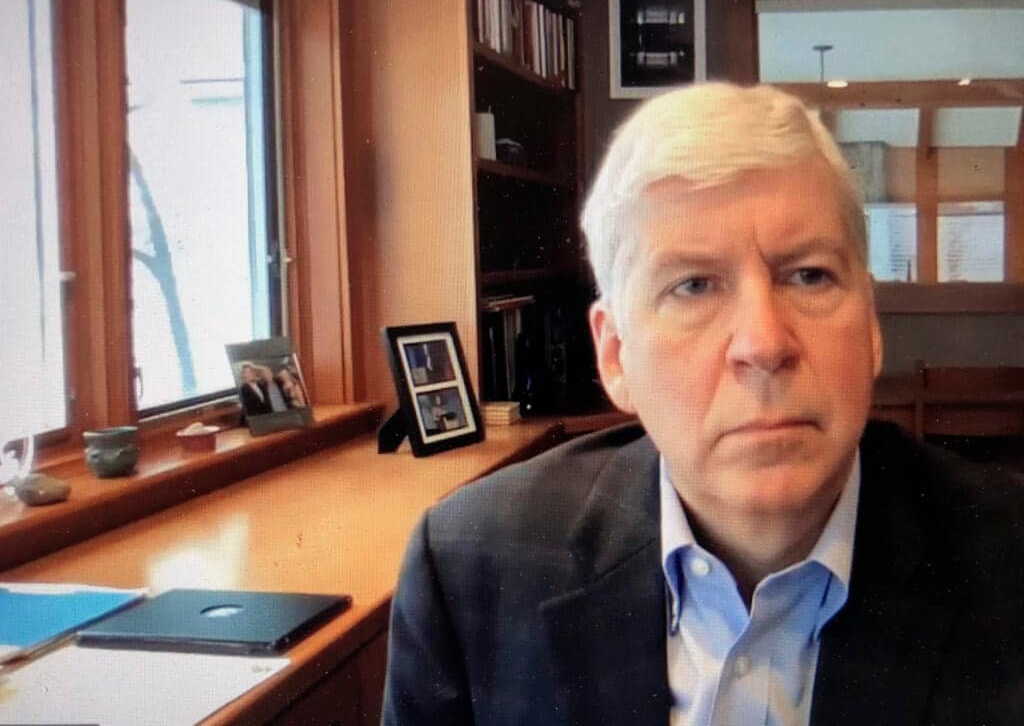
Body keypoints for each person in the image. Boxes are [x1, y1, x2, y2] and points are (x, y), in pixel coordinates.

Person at [382, 83, 1024, 725]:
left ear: (872, 327)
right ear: (614, 356)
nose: (764, 344)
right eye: (692, 286)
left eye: (809, 275)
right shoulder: (470, 567)